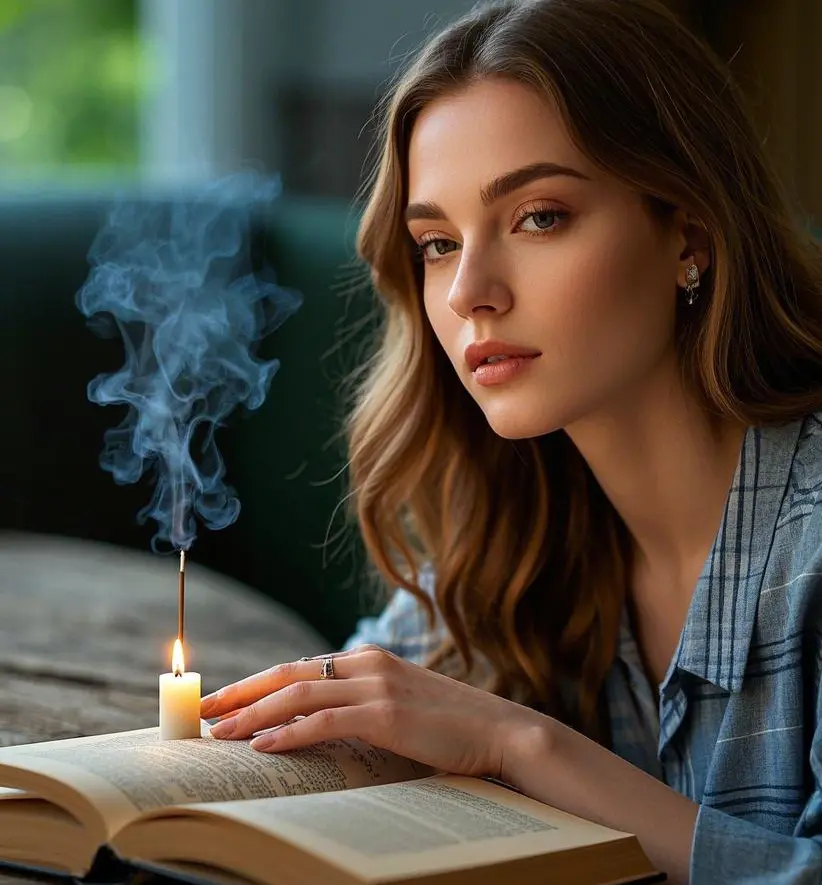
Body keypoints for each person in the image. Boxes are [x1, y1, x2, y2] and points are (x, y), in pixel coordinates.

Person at [199, 0, 822, 881]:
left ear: (689, 229)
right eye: (439, 242)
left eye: (539, 216)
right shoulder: (508, 519)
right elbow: (364, 709)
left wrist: (520, 744)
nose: (469, 294)